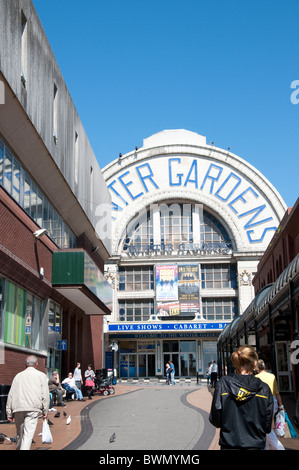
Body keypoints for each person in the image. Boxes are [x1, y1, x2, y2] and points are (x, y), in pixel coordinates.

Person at [209, 345, 273, 450]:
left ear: (235, 362)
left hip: (229, 444)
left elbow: (215, 419)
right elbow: (267, 426)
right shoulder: (264, 389)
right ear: (255, 363)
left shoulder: (223, 384)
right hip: (256, 445)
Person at [6, 355, 50, 450]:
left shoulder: (18, 376)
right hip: (33, 408)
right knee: (27, 436)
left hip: (18, 408)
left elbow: (11, 394)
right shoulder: (41, 376)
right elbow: (45, 395)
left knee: (20, 435)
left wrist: (9, 412)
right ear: (37, 364)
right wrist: (45, 411)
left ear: (25, 365)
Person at [255, 359, 285, 450]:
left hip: (261, 402)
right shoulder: (272, 376)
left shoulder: (256, 377)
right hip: (273, 401)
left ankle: (278, 447)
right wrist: (281, 405)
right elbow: (276, 392)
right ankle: (266, 446)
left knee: (265, 427)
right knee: (268, 424)